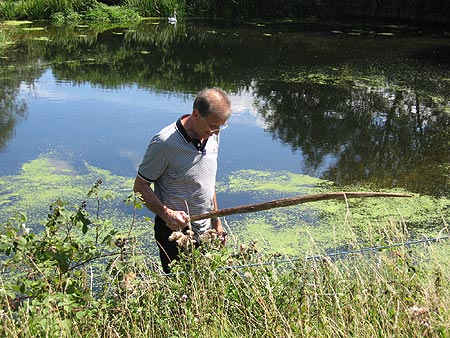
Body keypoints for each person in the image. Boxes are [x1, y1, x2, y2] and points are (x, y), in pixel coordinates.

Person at [134, 87, 231, 273]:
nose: (217, 132)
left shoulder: (211, 136)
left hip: (206, 230)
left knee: (207, 289)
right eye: (213, 126)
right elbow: (140, 187)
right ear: (196, 115)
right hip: (175, 233)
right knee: (180, 293)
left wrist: (216, 223)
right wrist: (167, 214)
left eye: (221, 127)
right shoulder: (164, 143)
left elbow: (208, 183)